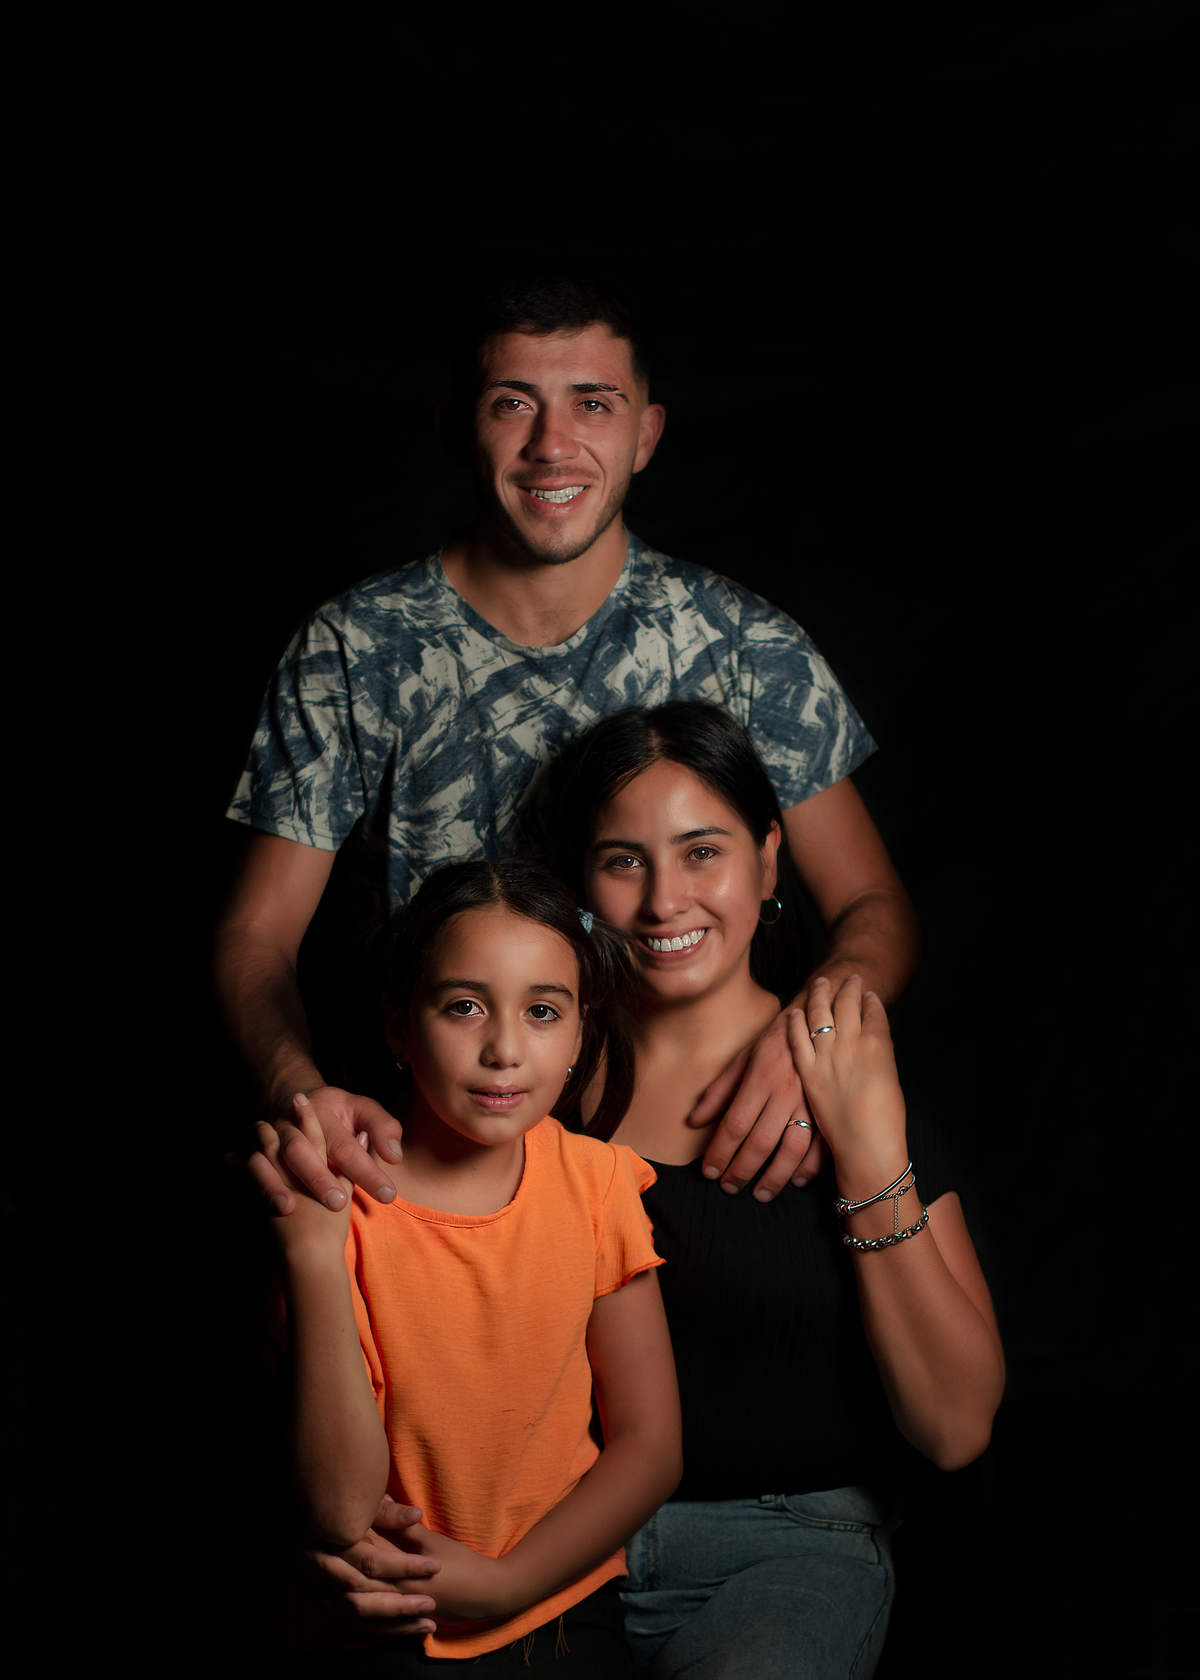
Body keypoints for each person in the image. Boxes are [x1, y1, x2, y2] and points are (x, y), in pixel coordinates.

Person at [306, 704, 1002, 1677]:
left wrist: (867, 1153)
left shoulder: (852, 1080)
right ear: (579, 884)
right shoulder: (515, 1089)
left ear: (768, 862)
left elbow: (956, 1430)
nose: (666, 901)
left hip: (783, 1546)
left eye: (701, 851)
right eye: (624, 860)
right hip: (545, 1539)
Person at [215, 271, 921, 1225]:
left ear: (646, 433)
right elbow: (255, 936)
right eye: (513, 403)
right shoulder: (355, 648)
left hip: (687, 1156)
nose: (553, 444)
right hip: (424, 1177)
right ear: (455, 429)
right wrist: (301, 1094)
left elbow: (875, 905)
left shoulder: (746, 647)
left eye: (594, 403)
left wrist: (816, 1040)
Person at [261, 856, 682, 1675]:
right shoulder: (330, 1204)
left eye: (543, 1011)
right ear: (398, 1026)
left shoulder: (597, 1185)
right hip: (374, 1625)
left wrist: (503, 1585)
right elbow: (339, 1510)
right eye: (464, 1007)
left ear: (580, 1033)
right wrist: (313, 1254)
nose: (504, 1050)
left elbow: (651, 1444)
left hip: (559, 1615)